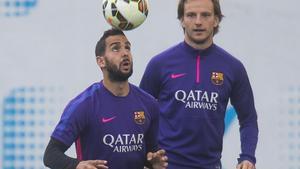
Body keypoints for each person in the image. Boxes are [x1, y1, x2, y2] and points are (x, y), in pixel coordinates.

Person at [139, 0, 258, 169]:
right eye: (191, 15)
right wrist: (146, 158)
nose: (198, 21)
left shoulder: (233, 68)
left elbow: (249, 119)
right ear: (181, 20)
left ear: (216, 20)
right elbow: (138, 115)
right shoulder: (159, 64)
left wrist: (248, 157)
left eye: (205, 15)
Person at [43, 28, 168, 169]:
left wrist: (153, 163)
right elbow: (50, 155)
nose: (125, 53)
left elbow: (150, 154)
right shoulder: (83, 105)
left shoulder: (149, 104)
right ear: (101, 61)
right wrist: (76, 165)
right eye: (116, 49)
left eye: (128, 47)